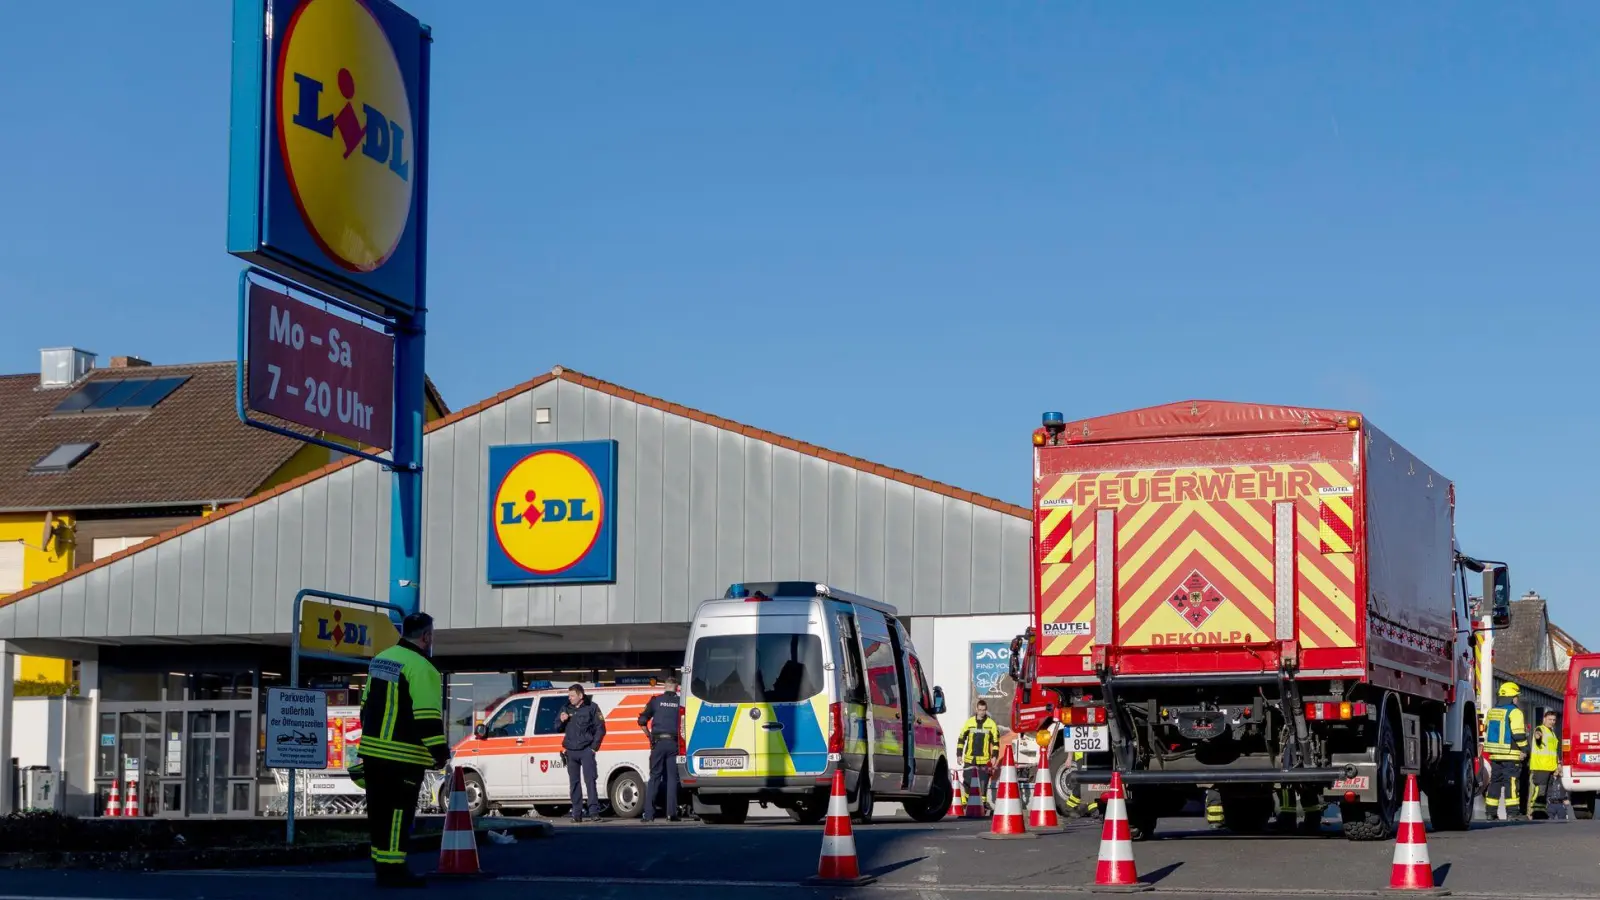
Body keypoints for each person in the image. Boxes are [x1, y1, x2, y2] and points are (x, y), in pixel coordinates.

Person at [347, 613, 448, 888]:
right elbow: (427, 716)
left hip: (373, 752)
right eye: (432, 635)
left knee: (379, 814)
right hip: (402, 756)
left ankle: (382, 867)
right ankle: (394, 869)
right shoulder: (422, 668)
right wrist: (440, 753)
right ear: (426, 636)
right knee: (398, 814)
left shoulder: (380, 659)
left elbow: (365, 707)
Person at [637, 675, 683, 822]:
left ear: (665, 687)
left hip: (658, 743)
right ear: (677, 688)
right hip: (674, 743)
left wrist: (649, 736)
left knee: (655, 777)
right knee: (672, 779)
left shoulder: (655, 701)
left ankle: (649, 814)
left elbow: (641, 721)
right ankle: (671, 814)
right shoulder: (680, 702)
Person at [559, 683, 607, 822]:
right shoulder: (566, 708)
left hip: (586, 750)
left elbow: (601, 728)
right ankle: (577, 814)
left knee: (590, 781)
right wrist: (562, 721)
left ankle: (593, 812)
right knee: (574, 783)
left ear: (580, 695)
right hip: (571, 751)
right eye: (569, 696)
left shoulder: (592, 707)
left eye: (572, 696)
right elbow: (557, 727)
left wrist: (593, 748)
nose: (570, 698)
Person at [1484, 682, 1529, 820]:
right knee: (1512, 784)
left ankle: (1490, 813)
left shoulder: (1492, 711)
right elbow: (1518, 735)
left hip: (1495, 755)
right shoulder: (1515, 712)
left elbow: (1486, 729)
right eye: (1516, 696)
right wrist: (1525, 749)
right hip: (1511, 755)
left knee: (1495, 784)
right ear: (1512, 697)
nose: (1517, 699)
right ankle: (1512, 814)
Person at [957, 700, 1001, 810]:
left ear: (986, 710)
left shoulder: (991, 724)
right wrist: (959, 755)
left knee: (983, 782)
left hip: (984, 760)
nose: (981, 712)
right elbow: (961, 739)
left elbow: (996, 742)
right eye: (980, 710)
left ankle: (983, 803)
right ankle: (966, 801)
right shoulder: (969, 722)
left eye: (983, 710)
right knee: (967, 780)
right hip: (970, 758)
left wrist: (995, 756)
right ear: (976, 710)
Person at [1527, 710, 1561, 819]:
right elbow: (1537, 735)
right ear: (1544, 719)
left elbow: (1554, 751)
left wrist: (1558, 765)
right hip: (1540, 767)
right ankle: (1535, 812)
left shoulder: (1552, 733)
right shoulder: (1540, 729)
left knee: (1546, 792)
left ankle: (1542, 811)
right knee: (1539, 790)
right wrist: (1537, 736)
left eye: (1554, 720)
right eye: (1550, 719)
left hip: (1550, 768)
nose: (1552, 722)